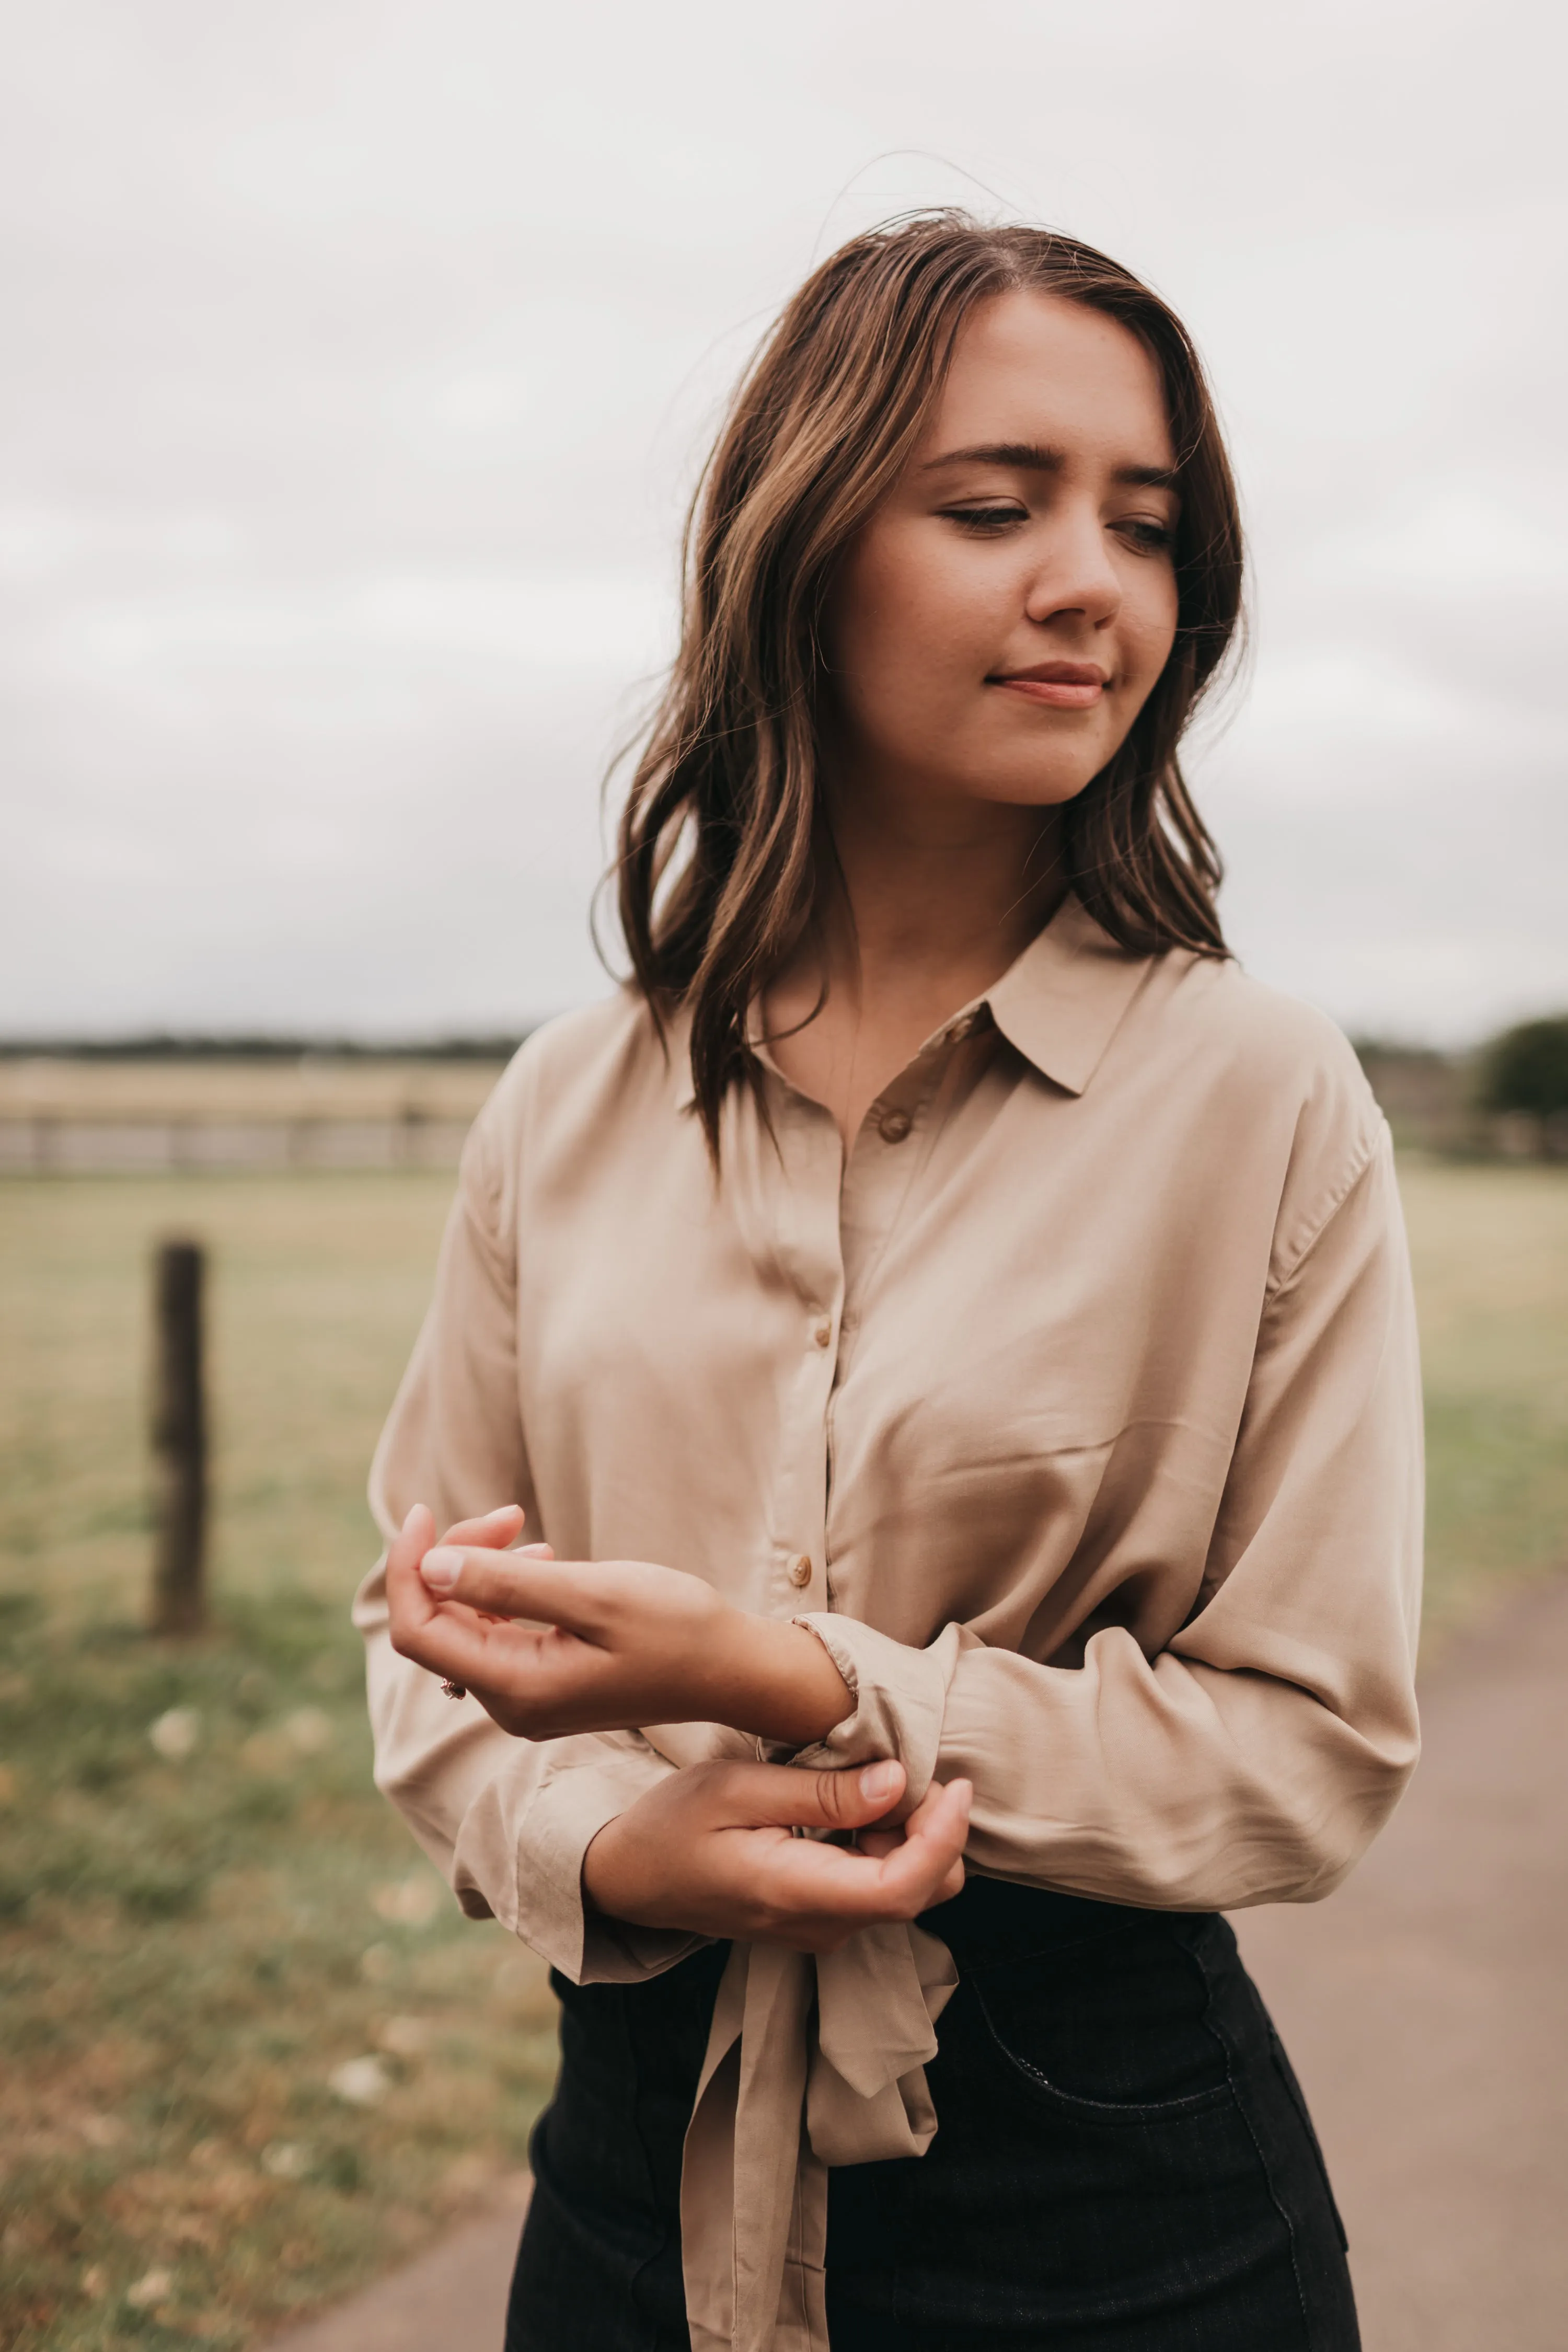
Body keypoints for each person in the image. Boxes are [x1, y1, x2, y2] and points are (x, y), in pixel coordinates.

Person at [355, 213, 1422, 2352]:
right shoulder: (573, 1104)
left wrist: (804, 1681)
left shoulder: (1263, 1097)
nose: (1091, 582)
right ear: (804, 543)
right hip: (623, 2201)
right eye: (996, 504)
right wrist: (619, 1851)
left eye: (1148, 522)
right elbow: (422, 1625)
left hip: (1125, 2212)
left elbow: (1309, 1752)